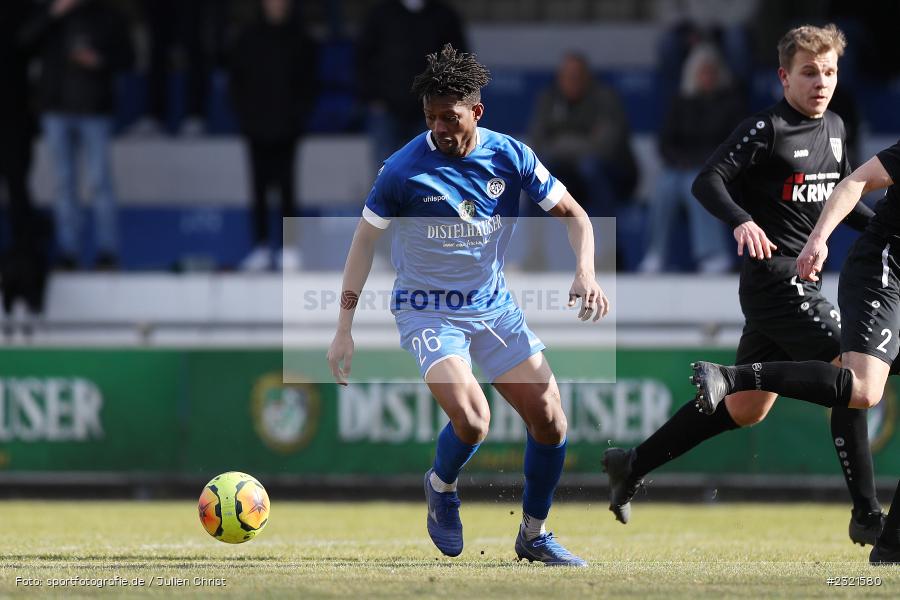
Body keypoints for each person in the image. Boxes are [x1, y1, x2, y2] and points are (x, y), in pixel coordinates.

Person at [602, 24, 884, 545]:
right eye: (809, 73)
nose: (821, 82)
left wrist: (888, 230)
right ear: (783, 77)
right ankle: (867, 515)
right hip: (774, 280)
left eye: (829, 72)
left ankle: (632, 462)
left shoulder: (839, 128)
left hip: (797, 283)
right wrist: (740, 220)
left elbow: (844, 204)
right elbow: (705, 179)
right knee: (850, 372)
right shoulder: (768, 128)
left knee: (744, 409)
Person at [327, 45, 609, 566]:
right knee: (474, 420)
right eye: (431, 117)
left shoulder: (511, 156)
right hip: (426, 309)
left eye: (449, 116)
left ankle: (533, 533)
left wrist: (585, 270)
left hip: (493, 307)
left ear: (476, 112)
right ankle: (441, 485)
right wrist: (343, 327)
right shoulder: (401, 170)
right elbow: (362, 244)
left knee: (550, 419)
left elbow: (576, 215)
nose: (439, 127)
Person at [691, 139, 899, 563]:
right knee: (862, 390)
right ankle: (732, 377)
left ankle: (892, 548)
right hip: (884, 270)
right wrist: (820, 238)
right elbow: (856, 181)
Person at [22, 0, 134, 270]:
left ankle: (108, 252)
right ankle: (68, 252)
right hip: (55, 108)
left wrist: (99, 61)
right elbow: (23, 44)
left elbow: (127, 58)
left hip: (94, 109)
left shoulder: (107, 15)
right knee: (64, 184)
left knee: (100, 182)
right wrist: (53, 14)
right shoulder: (48, 12)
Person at [638, 43, 743, 273]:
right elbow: (665, 143)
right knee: (664, 184)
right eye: (702, 71)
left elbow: (733, 144)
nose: (707, 76)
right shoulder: (681, 102)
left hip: (717, 169)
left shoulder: (730, 103)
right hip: (681, 166)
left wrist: (702, 162)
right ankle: (656, 254)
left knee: (694, 184)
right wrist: (680, 160)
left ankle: (714, 254)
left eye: (711, 71)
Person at [229, 0, 317, 271]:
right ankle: (261, 247)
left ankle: (290, 249)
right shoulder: (247, 39)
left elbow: (309, 83)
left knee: (288, 187)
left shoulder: (300, 39)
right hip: (256, 126)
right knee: (258, 187)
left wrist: (298, 115)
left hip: (288, 127)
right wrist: (245, 115)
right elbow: (236, 82)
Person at [355, 0, 467, 168]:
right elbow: (362, 59)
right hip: (387, 108)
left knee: (430, 170)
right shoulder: (381, 14)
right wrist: (372, 97)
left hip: (431, 109)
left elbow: (457, 60)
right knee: (387, 171)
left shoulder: (443, 15)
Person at [528, 52, 637, 218]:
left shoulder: (604, 98)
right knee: (536, 172)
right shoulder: (549, 98)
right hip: (564, 170)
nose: (572, 81)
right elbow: (538, 142)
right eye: (567, 77)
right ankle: (533, 241)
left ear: (587, 77)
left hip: (611, 171)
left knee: (589, 167)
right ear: (559, 78)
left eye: (577, 76)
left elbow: (603, 148)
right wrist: (582, 141)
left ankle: (606, 239)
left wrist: (560, 141)